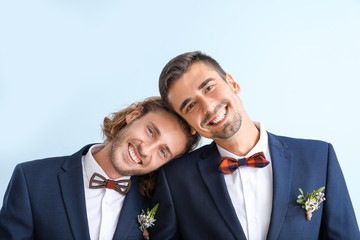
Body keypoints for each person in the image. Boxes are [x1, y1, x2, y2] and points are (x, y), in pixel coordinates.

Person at [150, 51, 360, 239]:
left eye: (209, 87)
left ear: (233, 83)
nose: (209, 106)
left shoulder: (319, 157)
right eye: (191, 105)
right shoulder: (175, 178)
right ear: (189, 125)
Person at [0, 96, 200, 240]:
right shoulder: (31, 179)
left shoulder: (160, 204)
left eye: (163, 152)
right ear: (134, 115)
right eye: (150, 131)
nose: (146, 150)